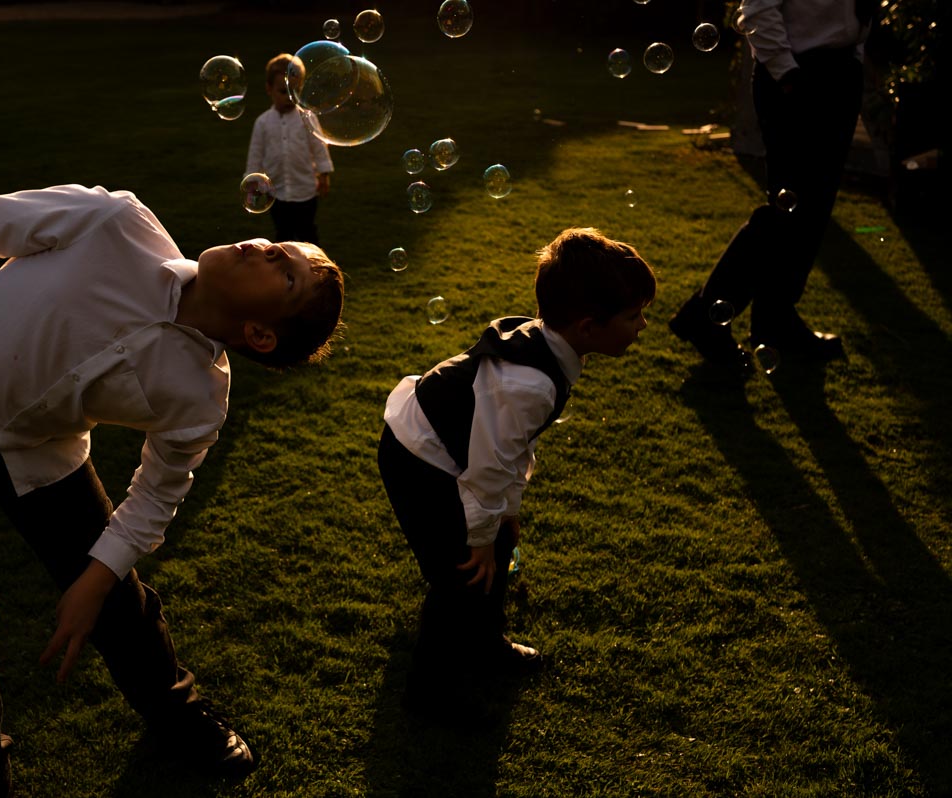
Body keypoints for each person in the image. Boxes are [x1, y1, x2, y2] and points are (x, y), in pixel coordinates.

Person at [0, 183, 344, 796]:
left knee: (119, 604)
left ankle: (179, 716)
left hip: (40, 457)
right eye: (280, 244)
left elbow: (156, 493)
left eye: (286, 272)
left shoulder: (200, 395)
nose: (268, 247)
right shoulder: (117, 221)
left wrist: (95, 578)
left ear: (259, 335)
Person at [376, 228, 656, 724]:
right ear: (589, 327)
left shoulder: (551, 347)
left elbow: (511, 451)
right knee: (459, 575)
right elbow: (487, 468)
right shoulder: (530, 383)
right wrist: (480, 536)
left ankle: (486, 643)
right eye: (634, 316)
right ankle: (429, 694)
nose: (643, 325)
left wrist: (508, 516)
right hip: (420, 457)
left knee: (497, 546)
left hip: (448, 449)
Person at [669, 0, 872, 372]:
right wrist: (789, 76)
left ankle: (776, 321)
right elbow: (759, 9)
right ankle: (706, 314)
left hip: (839, 72)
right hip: (796, 76)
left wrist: (853, 55)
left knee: (812, 209)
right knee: (788, 210)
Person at [245, 52, 334, 245]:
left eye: (295, 91)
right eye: (283, 92)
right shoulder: (263, 122)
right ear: (269, 89)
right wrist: (252, 179)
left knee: (307, 233)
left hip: (306, 190)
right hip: (276, 192)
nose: (289, 97)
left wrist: (324, 173)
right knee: (283, 235)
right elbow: (256, 153)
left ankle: (312, 267)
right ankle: (284, 270)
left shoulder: (307, 117)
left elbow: (319, 146)